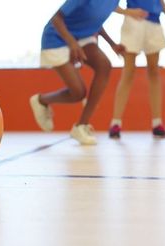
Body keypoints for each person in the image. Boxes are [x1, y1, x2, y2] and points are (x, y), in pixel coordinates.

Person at [30, 0, 124, 145]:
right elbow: (56, 18)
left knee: (104, 66)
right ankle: (41, 100)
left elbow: (95, 21)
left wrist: (112, 44)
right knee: (78, 93)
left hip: (82, 38)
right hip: (56, 38)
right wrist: (72, 43)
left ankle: (81, 126)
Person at [108, 0, 165, 139]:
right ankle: (115, 123)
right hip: (133, 22)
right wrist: (127, 12)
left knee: (154, 72)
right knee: (128, 72)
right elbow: (107, 4)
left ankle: (157, 124)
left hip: (155, 24)